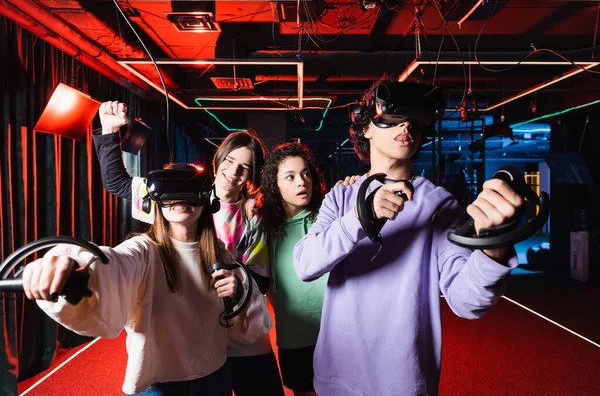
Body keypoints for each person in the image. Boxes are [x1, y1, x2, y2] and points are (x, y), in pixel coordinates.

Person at [293, 80, 524, 396]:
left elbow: (467, 302)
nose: (405, 125)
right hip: (337, 377)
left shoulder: (439, 205)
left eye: (414, 120)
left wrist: (494, 248)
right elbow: (305, 265)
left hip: (402, 382)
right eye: (392, 117)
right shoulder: (342, 196)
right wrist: (360, 217)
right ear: (367, 129)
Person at [21, 164, 271, 396]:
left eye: (190, 190)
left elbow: (254, 324)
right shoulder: (144, 250)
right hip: (158, 384)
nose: (180, 200)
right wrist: (71, 265)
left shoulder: (218, 252)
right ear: (156, 202)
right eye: (171, 191)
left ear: (208, 201)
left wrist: (238, 290)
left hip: (214, 376)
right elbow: (112, 264)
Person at [92, 101, 285, 396]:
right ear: (218, 159)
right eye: (231, 161)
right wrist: (109, 129)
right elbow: (118, 182)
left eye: (245, 168)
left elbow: (260, 280)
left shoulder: (252, 216)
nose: (234, 172)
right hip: (193, 331)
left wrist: (235, 278)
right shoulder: (180, 192)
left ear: (252, 176)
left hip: (240, 332)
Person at [256, 142, 327, 396]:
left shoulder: (327, 218)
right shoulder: (266, 228)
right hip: (293, 336)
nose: (302, 182)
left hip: (335, 332)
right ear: (275, 184)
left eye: (306, 173)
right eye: (291, 176)